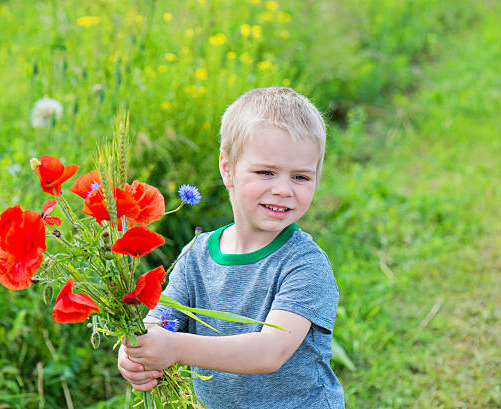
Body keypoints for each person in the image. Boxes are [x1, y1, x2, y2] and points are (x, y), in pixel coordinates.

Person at [118, 87, 344, 408]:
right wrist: (137, 352)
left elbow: (270, 351)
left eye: (301, 177)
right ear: (227, 168)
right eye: (266, 172)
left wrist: (175, 348)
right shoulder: (197, 254)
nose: (282, 190)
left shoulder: (305, 264)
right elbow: (161, 320)